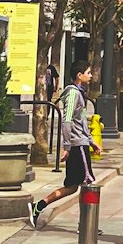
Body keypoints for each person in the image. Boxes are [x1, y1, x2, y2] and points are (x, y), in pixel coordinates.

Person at [27, 68, 95, 228]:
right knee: (87, 183)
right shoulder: (73, 94)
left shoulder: (79, 93)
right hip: (78, 145)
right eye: (88, 72)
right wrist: (68, 146)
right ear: (79, 75)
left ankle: (39, 206)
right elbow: (67, 120)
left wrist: (91, 140)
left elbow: (81, 121)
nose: (91, 76)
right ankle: (86, 225)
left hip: (81, 143)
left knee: (72, 187)